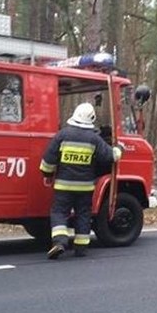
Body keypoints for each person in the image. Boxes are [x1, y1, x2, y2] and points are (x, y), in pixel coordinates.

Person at [40, 102, 123, 259]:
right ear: (92, 118)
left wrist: (47, 174)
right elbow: (110, 156)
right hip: (85, 188)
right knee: (83, 215)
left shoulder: (62, 135)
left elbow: (48, 160)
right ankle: (81, 247)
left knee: (59, 212)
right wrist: (120, 149)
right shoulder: (94, 139)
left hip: (63, 186)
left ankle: (59, 241)